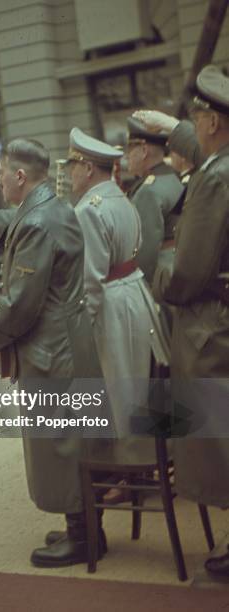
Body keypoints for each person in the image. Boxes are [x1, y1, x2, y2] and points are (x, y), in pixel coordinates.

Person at [0, 138, 103, 568]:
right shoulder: (49, 208)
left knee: (58, 441)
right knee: (69, 435)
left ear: (20, 176)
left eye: (1, 172)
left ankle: (83, 538)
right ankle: (86, 527)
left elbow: (21, 302)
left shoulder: (38, 221)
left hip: (50, 347)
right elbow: (9, 220)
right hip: (66, 340)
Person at [134, 64, 229, 577]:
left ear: (212, 121)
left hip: (212, 324)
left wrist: (160, 281)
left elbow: (190, 270)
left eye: (197, 115)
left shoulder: (216, 176)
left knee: (219, 437)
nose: (195, 124)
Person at [64, 128, 169, 504]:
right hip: (134, 296)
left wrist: (80, 334)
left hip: (111, 302)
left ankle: (129, 474)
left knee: (118, 387)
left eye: (74, 165)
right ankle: (143, 465)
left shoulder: (88, 210)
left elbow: (90, 282)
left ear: (89, 169)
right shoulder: (123, 198)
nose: (70, 173)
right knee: (138, 384)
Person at [125, 117, 184, 284]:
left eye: (130, 148)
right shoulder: (173, 178)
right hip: (179, 266)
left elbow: (145, 252)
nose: (127, 155)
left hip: (162, 277)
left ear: (144, 150)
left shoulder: (148, 191)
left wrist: (143, 287)